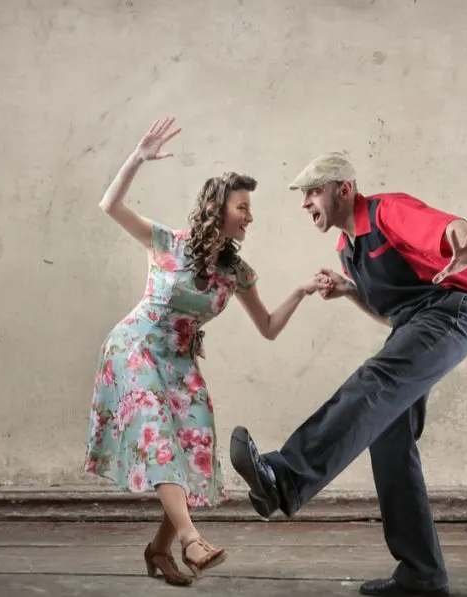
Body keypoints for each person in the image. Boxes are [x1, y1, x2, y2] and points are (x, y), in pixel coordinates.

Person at [228, 151, 467, 596]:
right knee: (389, 436)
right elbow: (391, 314)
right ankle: (422, 574)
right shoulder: (346, 249)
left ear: (344, 189)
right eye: (302, 196)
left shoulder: (386, 211)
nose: (305, 203)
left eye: (313, 192)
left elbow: (445, 225)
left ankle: (287, 476)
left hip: (453, 311)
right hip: (416, 325)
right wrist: (350, 292)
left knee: (377, 382)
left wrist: (465, 241)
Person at [83, 117, 325, 587]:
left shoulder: (237, 274)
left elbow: (269, 327)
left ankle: (158, 549)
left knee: (195, 446)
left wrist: (300, 291)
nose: (250, 216)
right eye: (243, 206)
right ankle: (192, 541)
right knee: (156, 432)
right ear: (219, 207)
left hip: (178, 361)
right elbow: (110, 204)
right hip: (135, 348)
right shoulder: (166, 242)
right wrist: (137, 158)